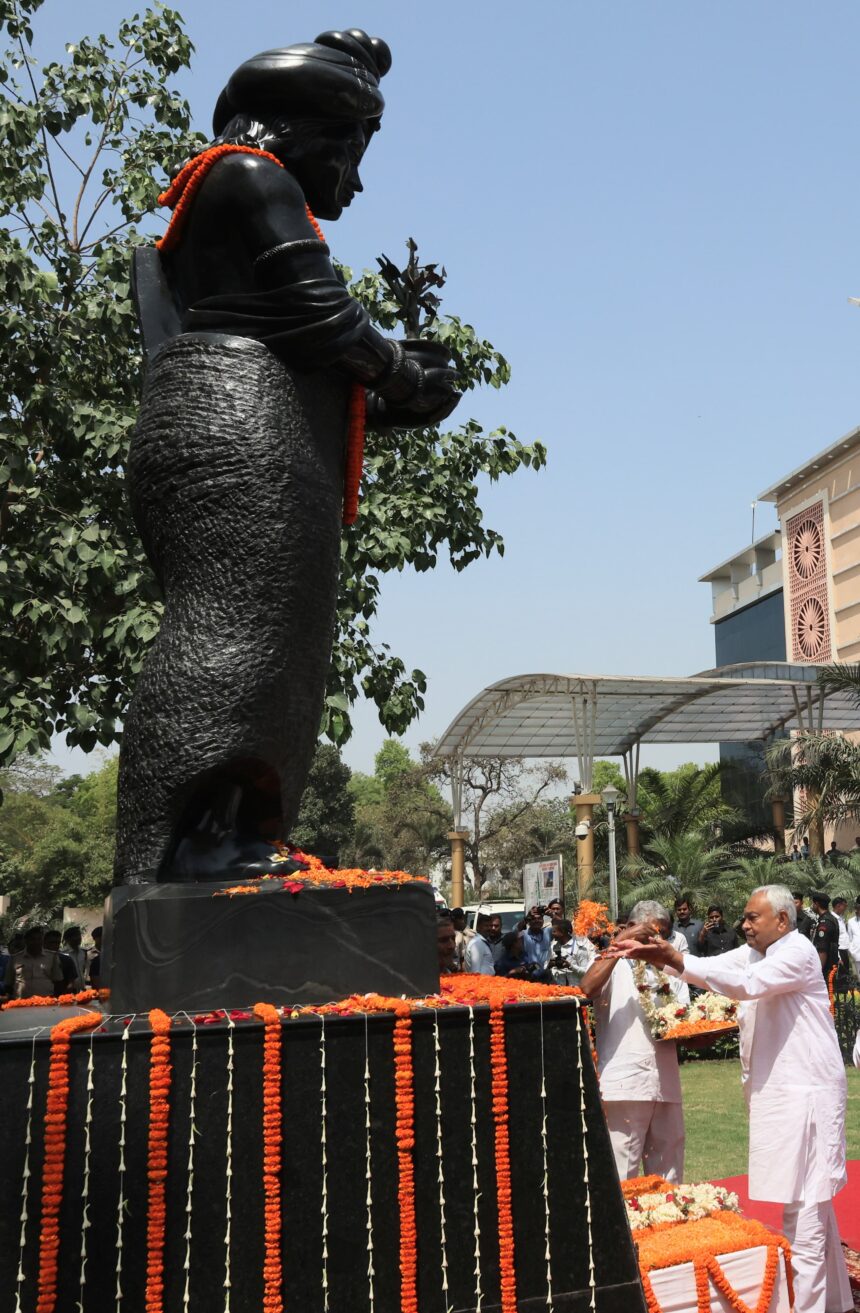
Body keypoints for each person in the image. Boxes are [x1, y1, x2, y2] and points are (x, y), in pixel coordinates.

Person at [613, 884, 851, 1313]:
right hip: (785, 1095)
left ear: (782, 920)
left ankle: (809, 1307)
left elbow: (746, 985)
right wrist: (664, 956)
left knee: (805, 1216)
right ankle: (834, 1301)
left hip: (808, 1096)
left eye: (752, 917)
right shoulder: (759, 953)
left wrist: (672, 959)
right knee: (809, 1205)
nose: (744, 925)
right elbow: (711, 967)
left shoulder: (796, 952)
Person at [580, 900, 688, 1183]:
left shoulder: (670, 967)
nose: (656, 941)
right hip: (624, 1084)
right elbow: (586, 988)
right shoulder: (611, 963)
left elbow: (686, 1022)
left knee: (669, 1174)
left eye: (663, 934)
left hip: (666, 1083)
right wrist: (621, 943)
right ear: (628, 927)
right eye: (650, 932)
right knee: (620, 1174)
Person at [4, 925, 64, 1000]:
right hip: (21, 1001)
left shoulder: (52, 957)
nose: (36, 942)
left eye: (39, 939)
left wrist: (56, 1000)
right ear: (26, 941)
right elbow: (8, 983)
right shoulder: (15, 958)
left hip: (46, 1001)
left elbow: (58, 981)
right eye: (32, 939)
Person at [548, 918, 595, 985]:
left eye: (554, 931)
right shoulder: (552, 946)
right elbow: (546, 966)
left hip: (576, 988)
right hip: (557, 988)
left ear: (562, 932)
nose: (552, 934)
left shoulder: (579, 948)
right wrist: (551, 964)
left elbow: (586, 972)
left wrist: (570, 966)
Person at [810, 893, 840, 981]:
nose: (812, 906)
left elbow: (822, 950)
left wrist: (817, 974)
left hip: (825, 968)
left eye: (813, 903)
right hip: (830, 965)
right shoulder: (832, 918)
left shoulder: (825, 922)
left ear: (817, 904)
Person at [521, 906, 552, 978]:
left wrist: (552, 915)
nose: (537, 921)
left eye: (539, 918)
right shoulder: (523, 934)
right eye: (534, 919)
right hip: (528, 977)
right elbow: (515, 930)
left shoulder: (548, 932)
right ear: (529, 921)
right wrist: (527, 918)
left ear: (543, 920)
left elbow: (563, 926)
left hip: (546, 977)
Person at [847, 898, 860, 979]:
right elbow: (850, 938)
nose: (857, 910)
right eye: (857, 908)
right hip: (856, 953)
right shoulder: (851, 921)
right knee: (858, 977)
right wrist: (852, 951)